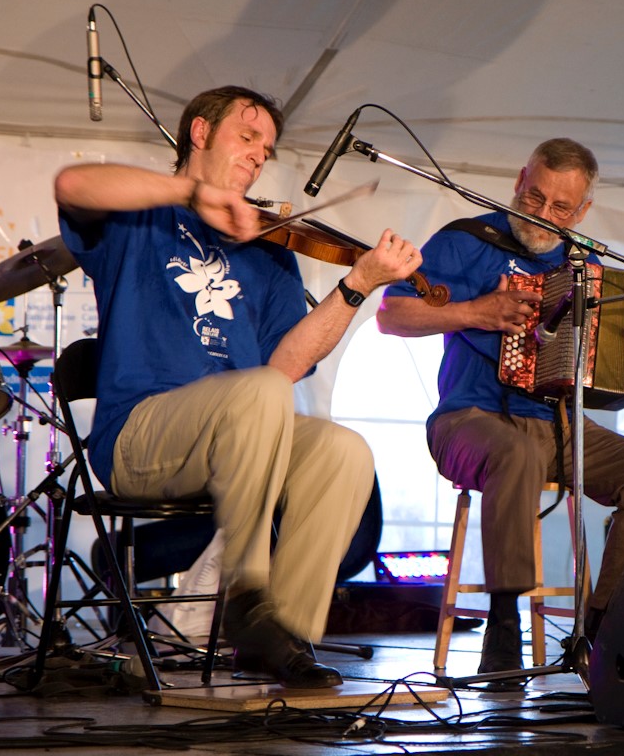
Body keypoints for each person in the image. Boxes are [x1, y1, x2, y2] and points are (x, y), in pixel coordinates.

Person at [55, 85, 422, 688]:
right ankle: (246, 593)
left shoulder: (269, 250)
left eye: (267, 148)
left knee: (341, 450)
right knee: (259, 393)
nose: (259, 156)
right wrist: (191, 191)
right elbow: (72, 186)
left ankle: (282, 634)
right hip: (141, 437)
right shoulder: (140, 215)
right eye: (247, 138)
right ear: (200, 133)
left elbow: (286, 366)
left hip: (238, 432)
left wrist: (358, 284)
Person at [376, 138, 624, 674]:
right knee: (514, 454)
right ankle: (503, 620)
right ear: (520, 181)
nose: (542, 214)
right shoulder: (466, 241)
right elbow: (393, 315)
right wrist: (477, 311)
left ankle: (602, 628)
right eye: (535, 197)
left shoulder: (586, 265)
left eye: (561, 208)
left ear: (582, 211)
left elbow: (601, 384)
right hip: (468, 421)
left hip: (560, 426)